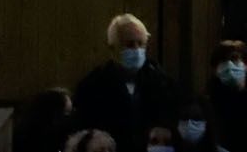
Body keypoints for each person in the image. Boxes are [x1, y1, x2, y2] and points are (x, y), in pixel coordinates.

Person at [73, 14, 181, 152]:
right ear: (112, 48)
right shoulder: (92, 86)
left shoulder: (164, 84)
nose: (136, 50)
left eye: (141, 44)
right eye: (129, 44)